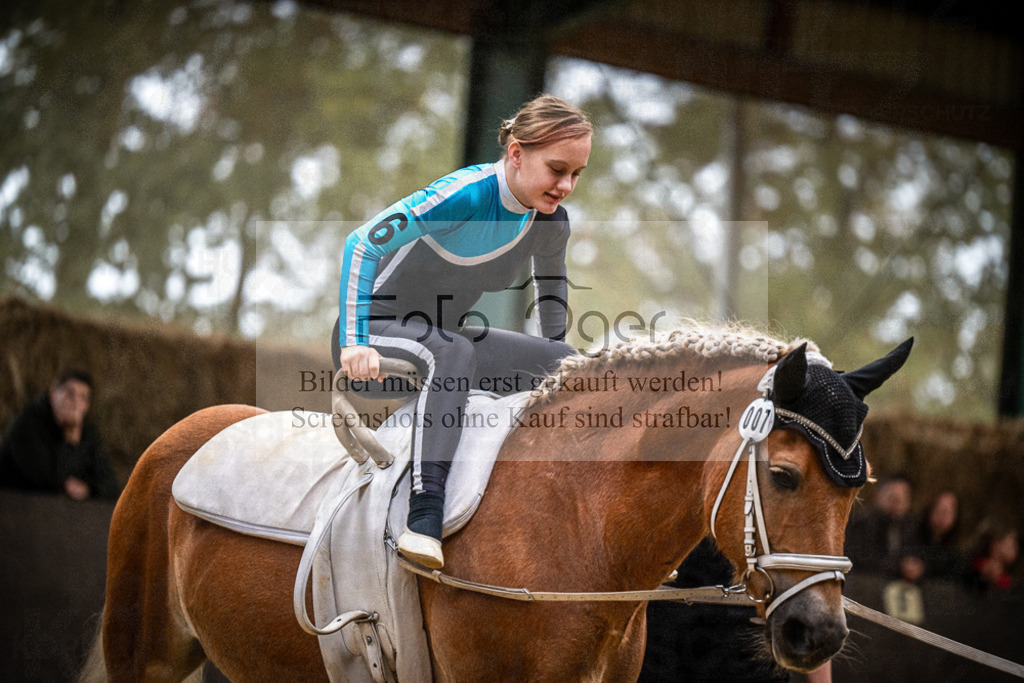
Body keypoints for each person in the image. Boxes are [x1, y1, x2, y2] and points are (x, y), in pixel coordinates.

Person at [332, 94, 591, 569]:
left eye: (576, 174)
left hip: (444, 339)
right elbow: (362, 242)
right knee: (452, 352)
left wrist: (559, 367)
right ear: (516, 153)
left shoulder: (551, 221)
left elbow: (551, 299)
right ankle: (424, 517)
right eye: (557, 169)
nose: (566, 185)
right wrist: (354, 341)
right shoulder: (464, 194)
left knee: (568, 366)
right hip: (375, 337)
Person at [0, 369, 119, 501]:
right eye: (70, 394)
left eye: (83, 397)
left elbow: (111, 486)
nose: (75, 402)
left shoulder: (89, 434)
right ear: (53, 394)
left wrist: (89, 490)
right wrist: (70, 441)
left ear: (87, 406)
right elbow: (48, 483)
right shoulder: (27, 425)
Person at [844, 472, 918, 577]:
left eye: (900, 499)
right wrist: (899, 567)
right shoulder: (861, 524)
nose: (895, 504)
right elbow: (861, 559)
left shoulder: (912, 528)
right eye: (891, 497)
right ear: (879, 495)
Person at [907, 490, 967, 582]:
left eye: (947, 511)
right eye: (938, 509)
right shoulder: (910, 538)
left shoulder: (956, 556)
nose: (941, 516)